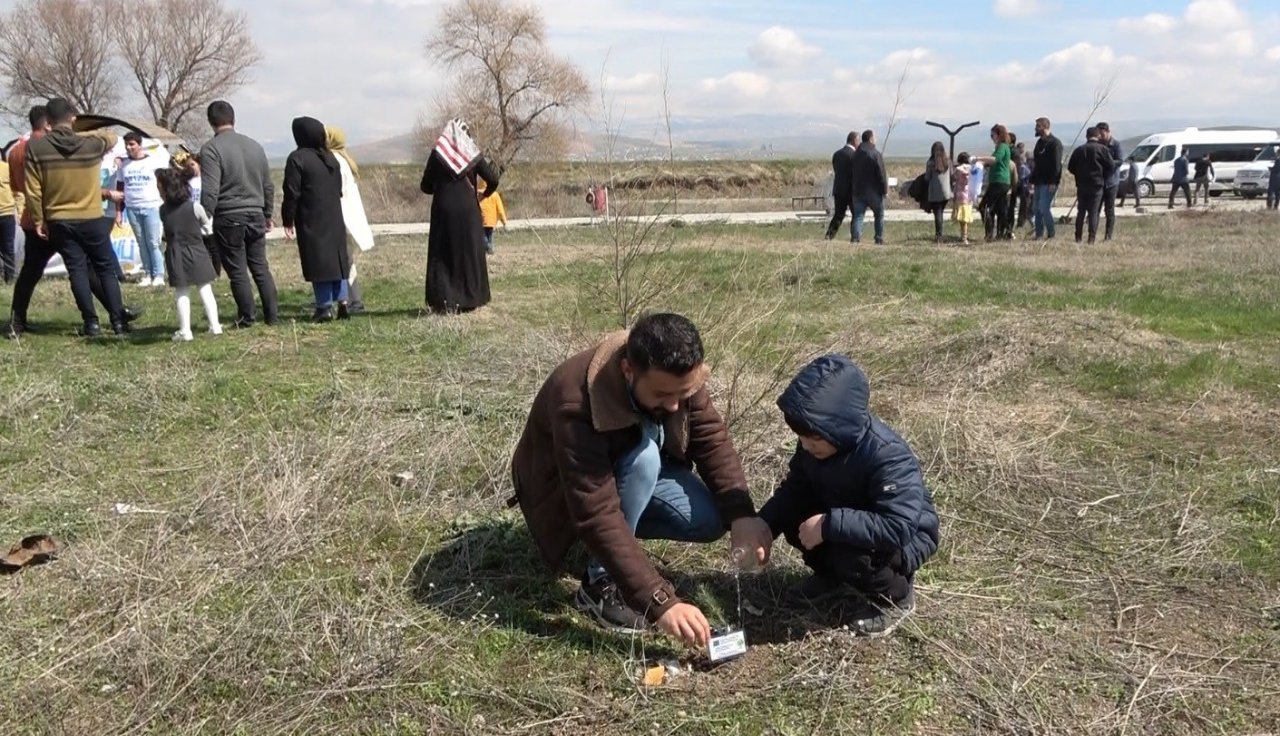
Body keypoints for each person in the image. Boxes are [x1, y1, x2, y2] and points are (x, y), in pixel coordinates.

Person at [510, 313, 772, 646]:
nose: (676, 404)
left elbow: (709, 437)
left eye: (684, 393)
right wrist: (658, 600)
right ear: (628, 371)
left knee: (707, 519)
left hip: (630, 468)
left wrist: (741, 513)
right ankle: (598, 584)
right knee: (644, 459)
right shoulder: (576, 400)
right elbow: (596, 511)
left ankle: (619, 548)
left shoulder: (677, 373)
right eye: (663, 395)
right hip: (561, 495)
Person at [757, 354, 940, 638]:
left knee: (850, 553)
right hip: (846, 516)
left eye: (813, 438)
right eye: (800, 437)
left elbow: (897, 526)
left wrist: (829, 525)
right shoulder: (816, 446)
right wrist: (766, 525)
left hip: (905, 539)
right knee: (797, 517)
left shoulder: (886, 455)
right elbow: (795, 489)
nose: (804, 445)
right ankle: (833, 579)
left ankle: (896, 597)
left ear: (840, 427)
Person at [23, 98, 130, 337]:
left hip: (59, 218)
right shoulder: (90, 144)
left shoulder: (36, 148)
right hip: (91, 216)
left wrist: (39, 219)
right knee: (104, 269)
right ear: (72, 118)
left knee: (77, 270)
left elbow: (34, 189)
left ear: (48, 122)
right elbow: (112, 137)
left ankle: (90, 323)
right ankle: (118, 322)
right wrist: (80, 126)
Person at [200, 100, 279, 328]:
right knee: (260, 266)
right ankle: (272, 315)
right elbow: (268, 185)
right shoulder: (255, 146)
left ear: (211, 121)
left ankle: (247, 316)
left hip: (229, 214)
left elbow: (211, 190)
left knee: (237, 269)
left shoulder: (211, 149)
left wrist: (204, 216)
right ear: (233, 119)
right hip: (255, 212)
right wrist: (267, 213)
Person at [419, 119, 498, 313]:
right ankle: (471, 299)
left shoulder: (438, 154)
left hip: (443, 211)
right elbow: (493, 179)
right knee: (468, 253)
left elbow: (425, 185)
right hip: (468, 210)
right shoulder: (471, 153)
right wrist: (483, 195)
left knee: (443, 253)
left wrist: (441, 187)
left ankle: (444, 300)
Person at [281, 117, 349, 322]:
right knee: (337, 260)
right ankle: (343, 303)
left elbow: (291, 192)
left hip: (312, 217)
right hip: (334, 215)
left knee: (318, 261)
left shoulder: (297, 158)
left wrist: (288, 219)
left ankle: (324, 307)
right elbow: (338, 189)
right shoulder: (330, 159)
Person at [156, 168, 221, 342]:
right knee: (205, 288)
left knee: (181, 291)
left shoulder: (162, 211)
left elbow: (164, 235)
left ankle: (185, 331)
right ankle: (215, 326)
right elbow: (207, 228)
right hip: (197, 250)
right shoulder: (195, 207)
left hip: (175, 253)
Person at [325, 126, 373, 314]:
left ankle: (349, 300)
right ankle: (352, 298)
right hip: (346, 217)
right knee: (346, 260)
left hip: (340, 216)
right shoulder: (345, 159)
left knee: (342, 261)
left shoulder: (334, 160)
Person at [113, 131, 168, 286]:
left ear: (139, 145)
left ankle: (159, 274)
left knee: (153, 242)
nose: (129, 148)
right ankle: (148, 273)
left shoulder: (153, 162)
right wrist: (118, 212)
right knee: (141, 242)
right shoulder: (124, 165)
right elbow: (120, 189)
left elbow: (158, 147)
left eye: (132, 144)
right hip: (132, 208)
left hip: (151, 206)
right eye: (127, 145)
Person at [1066, 127, 1115, 244]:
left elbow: (1070, 167)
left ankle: (1078, 238)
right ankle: (1091, 238)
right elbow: (1111, 165)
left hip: (1082, 184)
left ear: (1086, 136)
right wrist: (1102, 174)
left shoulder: (1079, 150)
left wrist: (1079, 174)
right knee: (1093, 212)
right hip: (1097, 184)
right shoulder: (1102, 149)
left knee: (1081, 211)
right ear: (1098, 136)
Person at [971, 125, 1013, 242]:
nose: (991, 138)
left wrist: (978, 159)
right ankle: (1002, 234)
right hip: (1002, 181)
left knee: (983, 206)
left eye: (992, 135)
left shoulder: (1002, 147)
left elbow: (995, 160)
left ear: (999, 135)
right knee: (1001, 209)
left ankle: (989, 234)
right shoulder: (1001, 147)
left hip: (999, 181)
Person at [849, 129, 888, 245]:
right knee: (879, 214)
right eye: (874, 137)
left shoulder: (856, 154)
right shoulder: (875, 154)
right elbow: (881, 173)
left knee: (858, 215)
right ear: (871, 139)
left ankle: (855, 238)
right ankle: (878, 238)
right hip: (873, 191)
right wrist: (884, 189)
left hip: (858, 190)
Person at [1031, 117, 1063, 240]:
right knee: (1036, 209)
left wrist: (1053, 182)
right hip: (1038, 181)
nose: (1036, 129)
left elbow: (1056, 165)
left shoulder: (1055, 143)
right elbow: (1037, 163)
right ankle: (1039, 234)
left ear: (1045, 126)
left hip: (1049, 182)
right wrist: (1032, 180)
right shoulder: (1039, 143)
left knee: (1044, 207)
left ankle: (1051, 233)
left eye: (1038, 126)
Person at [825, 131, 858, 241]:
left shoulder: (837, 154)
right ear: (854, 140)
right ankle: (855, 237)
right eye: (859, 140)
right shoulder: (855, 155)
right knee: (856, 214)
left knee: (839, 215)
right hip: (851, 190)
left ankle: (829, 235)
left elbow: (836, 170)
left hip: (838, 189)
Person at [1096, 122, 1123, 240]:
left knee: (1109, 209)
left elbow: (1120, 161)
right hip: (1098, 182)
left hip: (1111, 182)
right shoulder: (1098, 145)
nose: (1101, 137)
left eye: (1102, 134)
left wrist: (1109, 163)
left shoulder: (1116, 145)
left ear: (1107, 132)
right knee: (1095, 209)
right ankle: (1093, 234)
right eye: (1099, 135)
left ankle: (1108, 235)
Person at [923, 141, 951, 243]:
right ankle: (940, 233)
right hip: (946, 193)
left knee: (938, 214)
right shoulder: (948, 162)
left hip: (935, 193)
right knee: (941, 212)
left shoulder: (930, 163)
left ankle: (939, 235)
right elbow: (951, 176)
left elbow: (927, 178)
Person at [477, 179, 506, 255]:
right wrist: (504, 221)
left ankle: (488, 248)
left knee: (484, 236)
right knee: (489, 236)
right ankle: (490, 249)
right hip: (492, 220)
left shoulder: (478, 195)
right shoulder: (495, 195)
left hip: (481, 220)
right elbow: (500, 209)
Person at [952, 153, 974, 245]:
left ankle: (964, 237)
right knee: (966, 218)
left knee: (962, 219)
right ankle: (964, 235)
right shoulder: (972, 169)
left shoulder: (958, 169)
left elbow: (954, 178)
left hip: (960, 194)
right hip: (969, 195)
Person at [0, 149, 14, 284]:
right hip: (7, 213)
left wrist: (20, 211)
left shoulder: (7, 168)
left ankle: (10, 279)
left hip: (7, 213)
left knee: (8, 248)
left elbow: (17, 190)